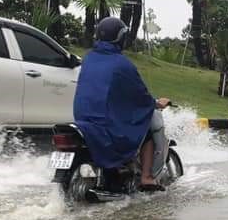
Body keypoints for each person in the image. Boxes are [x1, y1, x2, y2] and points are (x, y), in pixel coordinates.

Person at [73, 17, 171, 192]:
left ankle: (117, 171)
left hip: (83, 118)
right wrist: (155, 103)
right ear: (120, 39)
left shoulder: (89, 59)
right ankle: (147, 178)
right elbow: (140, 95)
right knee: (146, 134)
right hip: (106, 124)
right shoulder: (122, 64)